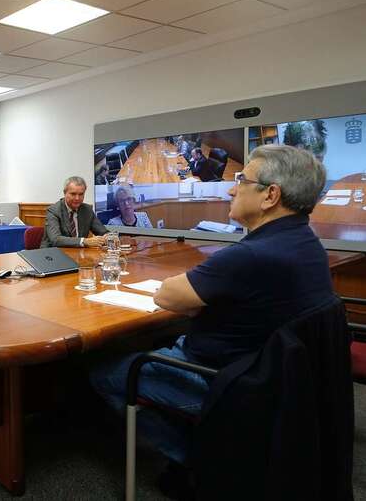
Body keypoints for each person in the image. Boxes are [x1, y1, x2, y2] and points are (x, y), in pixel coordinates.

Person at [90, 145, 333, 495]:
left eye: (241, 179)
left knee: (104, 372)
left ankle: (194, 457)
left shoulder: (250, 255)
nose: (232, 188)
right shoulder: (307, 245)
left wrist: (197, 302)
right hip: (274, 381)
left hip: (223, 381)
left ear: (270, 195)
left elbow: (165, 296)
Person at [41, 176, 108, 248]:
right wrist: (84, 241)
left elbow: (103, 232)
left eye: (81, 194)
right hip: (53, 255)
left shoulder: (87, 210)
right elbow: (56, 240)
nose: (77, 198)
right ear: (65, 193)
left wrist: (109, 237)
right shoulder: (53, 211)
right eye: (73, 194)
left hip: (79, 254)